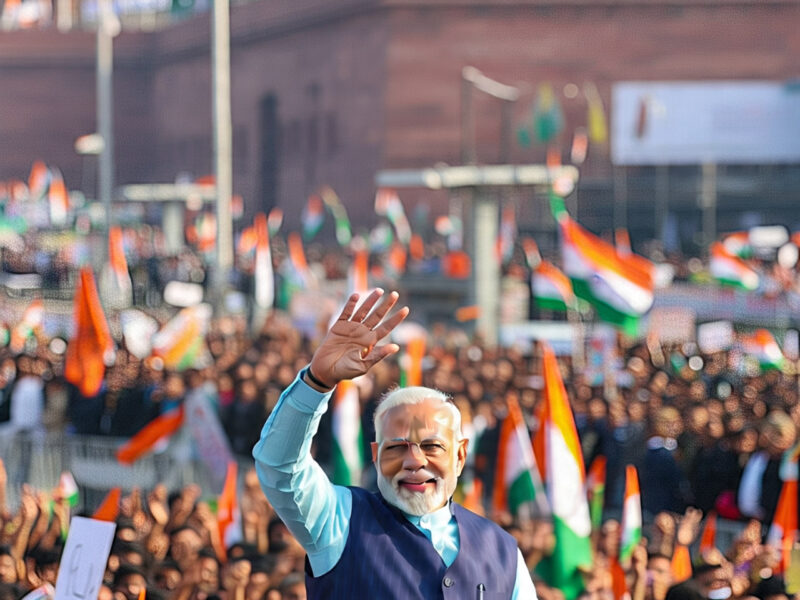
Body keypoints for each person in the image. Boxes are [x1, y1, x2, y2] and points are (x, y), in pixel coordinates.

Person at [253, 289, 537, 599]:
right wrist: (316, 382)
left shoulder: (502, 550)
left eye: (431, 447)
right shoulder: (339, 522)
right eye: (397, 447)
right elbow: (280, 465)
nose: (415, 461)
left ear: (460, 455)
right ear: (375, 456)